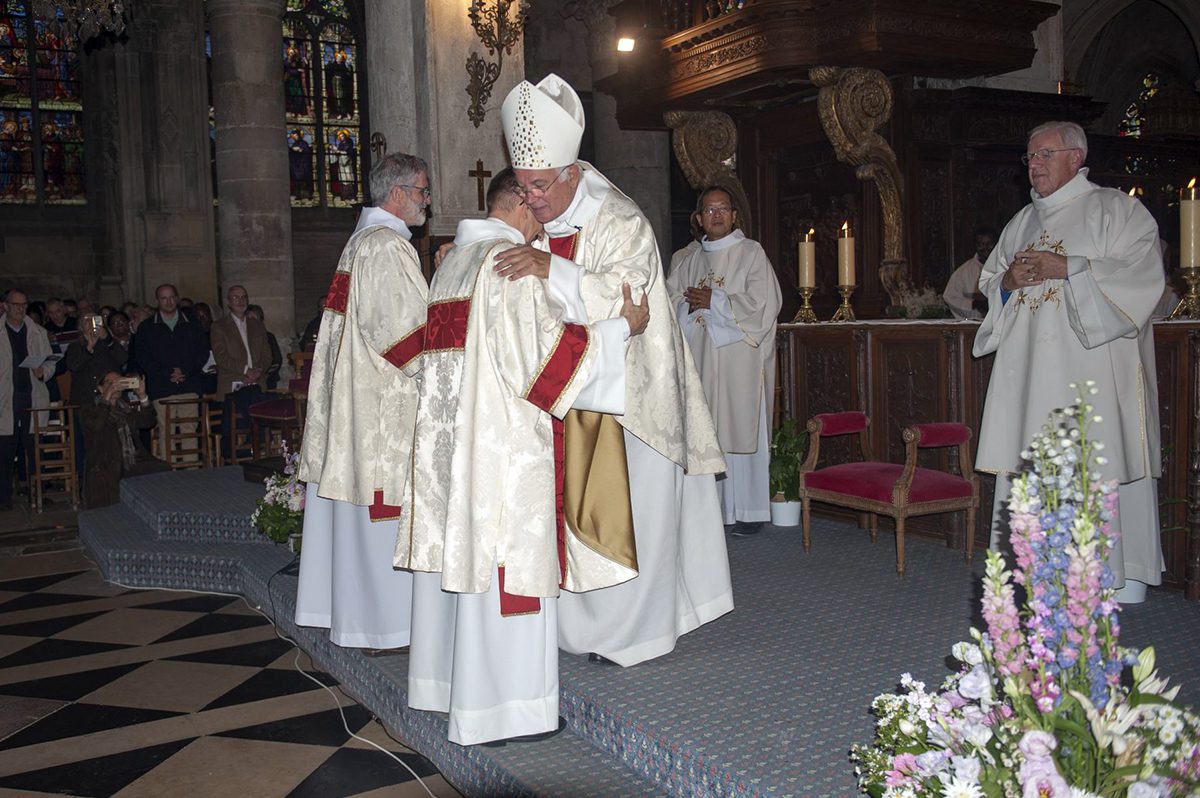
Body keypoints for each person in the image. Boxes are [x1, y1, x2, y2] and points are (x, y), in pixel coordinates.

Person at [398, 168, 649, 746]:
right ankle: (506, 709)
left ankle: (442, 686)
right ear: (518, 206)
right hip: (503, 453)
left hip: (455, 450)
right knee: (506, 570)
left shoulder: (451, 264)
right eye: (537, 207)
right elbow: (545, 364)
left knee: (458, 572)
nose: (545, 222)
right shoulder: (507, 266)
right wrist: (622, 329)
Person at [495, 74, 732, 667]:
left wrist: (550, 271)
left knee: (638, 515)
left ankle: (637, 633)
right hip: (574, 389)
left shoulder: (620, 221)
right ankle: (577, 627)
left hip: (633, 399)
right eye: (524, 190)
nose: (534, 202)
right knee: (571, 511)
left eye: (542, 187)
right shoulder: (539, 220)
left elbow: (633, 300)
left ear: (572, 173)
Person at [974, 120, 1164, 604]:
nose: (1033, 165)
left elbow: (1140, 282)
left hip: (1092, 377)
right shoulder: (1021, 221)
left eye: (1044, 154)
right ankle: (1034, 572)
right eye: (1030, 157)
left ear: (1076, 157)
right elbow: (991, 283)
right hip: (1030, 377)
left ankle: (1110, 576)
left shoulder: (1117, 211)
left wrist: (1071, 269)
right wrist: (1008, 283)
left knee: (1093, 463)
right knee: (1032, 466)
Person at [295, 152, 430, 650]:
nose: (427, 200)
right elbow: (404, 334)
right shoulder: (387, 249)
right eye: (421, 191)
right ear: (396, 194)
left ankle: (359, 617)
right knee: (383, 509)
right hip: (383, 413)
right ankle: (385, 623)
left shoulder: (359, 244)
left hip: (360, 403)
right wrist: (449, 373)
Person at [667, 186, 782, 535]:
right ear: (699, 218)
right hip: (701, 359)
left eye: (723, 209)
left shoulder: (751, 253)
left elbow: (763, 303)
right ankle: (710, 512)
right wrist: (690, 305)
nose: (716, 215)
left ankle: (749, 511)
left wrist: (714, 301)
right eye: (709, 210)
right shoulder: (688, 260)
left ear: (733, 215)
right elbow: (669, 301)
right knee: (707, 431)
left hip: (740, 361)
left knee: (739, 425)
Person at [133, 284, 209, 463]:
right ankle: (169, 473)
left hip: (188, 383)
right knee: (166, 431)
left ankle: (191, 472)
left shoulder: (192, 323)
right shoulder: (147, 327)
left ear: (177, 298)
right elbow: (143, 357)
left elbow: (202, 351)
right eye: (164, 298)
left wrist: (185, 370)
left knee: (189, 430)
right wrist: (167, 372)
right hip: (161, 386)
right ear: (157, 301)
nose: (168, 301)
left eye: (171, 297)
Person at [79, 371, 169, 508]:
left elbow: (148, 421)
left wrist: (142, 396)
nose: (115, 386)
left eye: (118, 382)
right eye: (109, 383)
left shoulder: (126, 409)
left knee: (162, 468)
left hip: (131, 461)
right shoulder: (89, 410)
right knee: (109, 480)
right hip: (105, 464)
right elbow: (96, 426)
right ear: (100, 388)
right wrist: (107, 397)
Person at [1, 289, 54, 511]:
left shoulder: (38, 332)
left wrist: (44, 372)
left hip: (32, 395)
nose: (20, 309)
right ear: (5, 305)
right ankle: (4, 498)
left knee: (34, 448)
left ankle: (37, 492)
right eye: (15, 305)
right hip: (6, 398)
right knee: (5, 449)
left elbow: (50, 362)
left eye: (24, 305)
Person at [209, 285, 272, 461]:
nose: (240, 300)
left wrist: (258, 370)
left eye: (243, 297)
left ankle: (258, 450)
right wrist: (246, 370)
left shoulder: (256, 325)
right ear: (229, 302)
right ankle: (233, 454)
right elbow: (221, 357)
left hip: (257, 382)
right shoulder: (219, 326)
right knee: (235, 422)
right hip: (233, 383)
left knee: (262, 412)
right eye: (236, 298)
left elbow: (268, 354)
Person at [64, 313, 128, 407]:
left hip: (112, 400)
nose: (91, 322)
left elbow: (123, 359)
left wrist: (107, 339)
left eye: (94, 319)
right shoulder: (74, 347)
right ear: (81, 327)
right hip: (85, 401)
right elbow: (73, 366)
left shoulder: (109, 343)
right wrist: (88, 348)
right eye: (87, 320)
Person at [943, 226, 998, 320]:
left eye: (989, 244)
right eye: (980, 244)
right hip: (974, 324)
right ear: (975, 246)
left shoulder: (1006, 267)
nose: (985, 248)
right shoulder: (963, 272)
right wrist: (973, 304)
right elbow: (949, 297)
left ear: (996, 244)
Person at [245, 304, 283, 390]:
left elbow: (276, 361)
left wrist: (262, 373)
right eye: (248, 318)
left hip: (267, 378)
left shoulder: (268, 337)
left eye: (254, 318)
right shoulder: (241, 338)